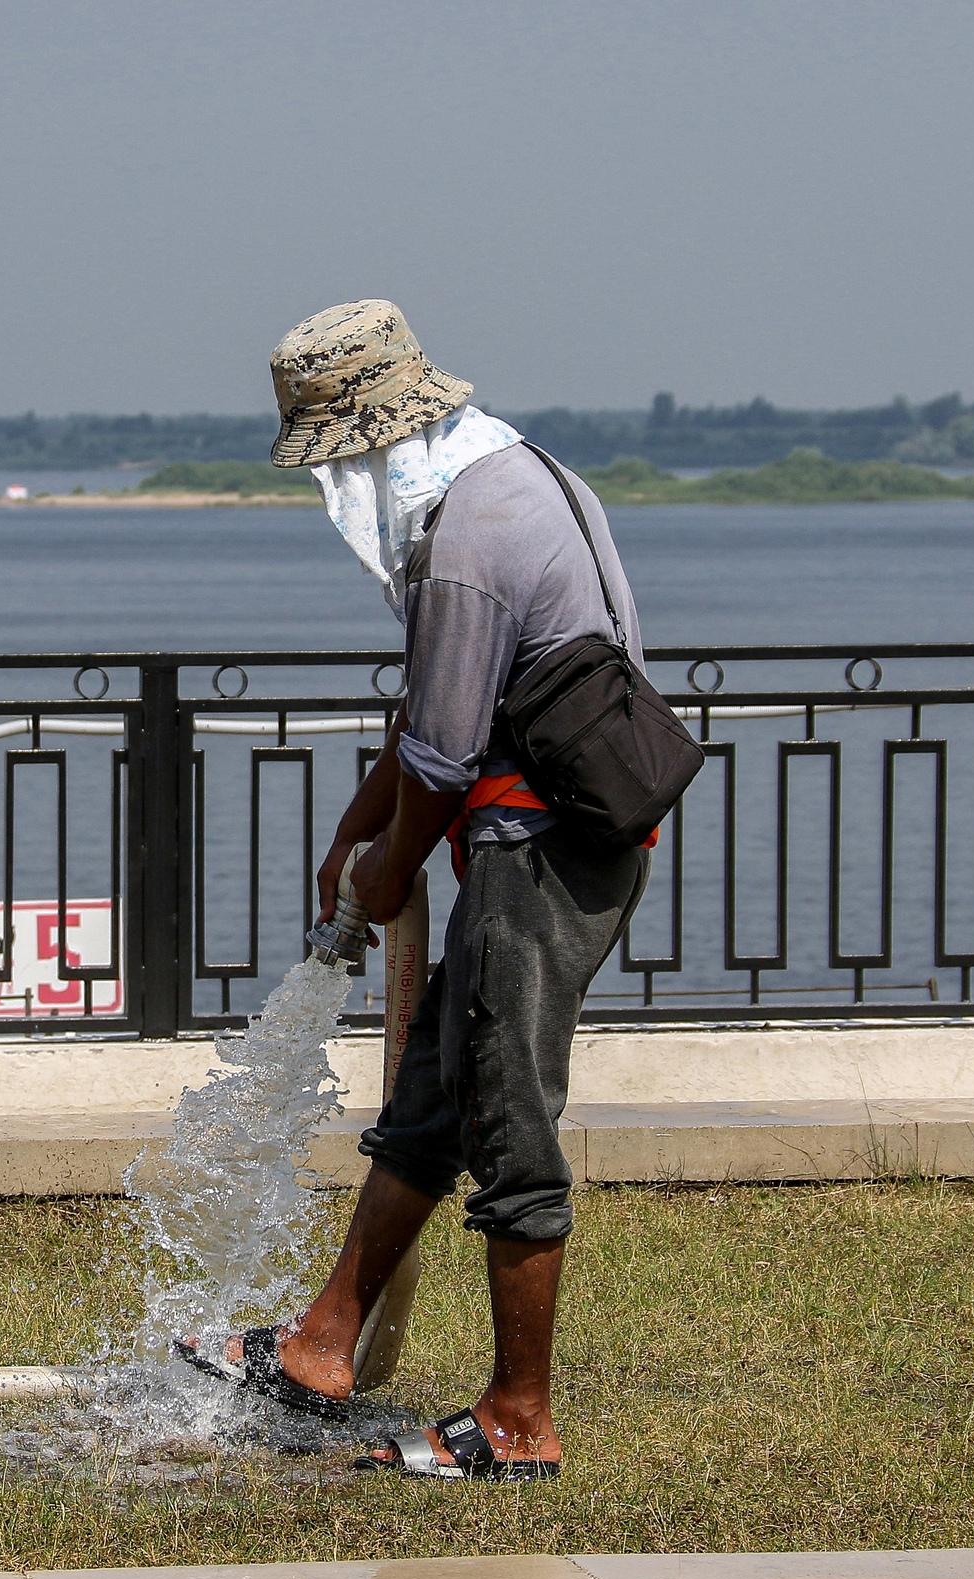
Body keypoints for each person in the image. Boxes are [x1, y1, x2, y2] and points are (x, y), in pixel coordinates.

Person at [181, 299, 653, 1480]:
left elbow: (442, 757)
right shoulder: (517, 473)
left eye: (334, 458)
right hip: (538, 842)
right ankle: (319, 1345)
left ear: (365, 444)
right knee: (433, 1105)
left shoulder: (465, 541)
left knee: (507, 1128)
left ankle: (518, 1419)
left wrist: (378, 877)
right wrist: (355, 831)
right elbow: (435, 717)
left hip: (539, 856)